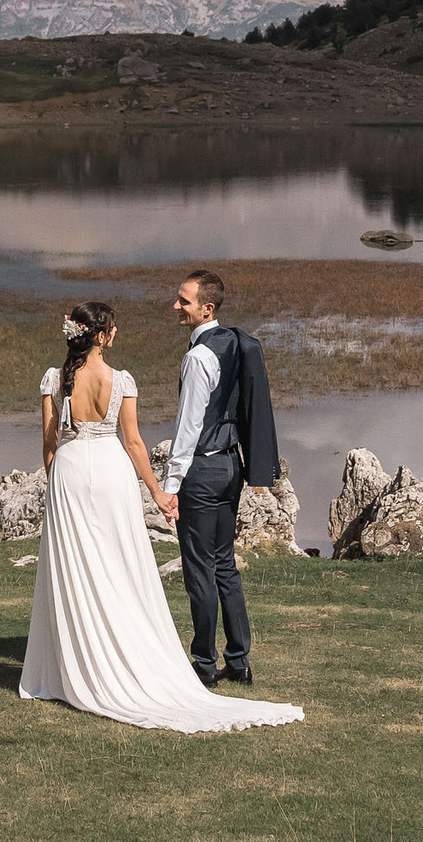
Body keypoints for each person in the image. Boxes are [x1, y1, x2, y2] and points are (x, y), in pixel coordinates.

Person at [17, 299, 302, 733]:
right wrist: (157, 491)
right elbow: (132, 443)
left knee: (72, 568)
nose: (115, 334)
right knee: (120, 565)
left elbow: (49, 441)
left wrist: (57, 478)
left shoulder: (54, 379)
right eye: (111, 329)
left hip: (70, 474)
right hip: (113, 473)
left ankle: (72, 665)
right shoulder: (122, 380)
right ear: (100, 336)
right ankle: (127, 653)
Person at [160, 270, 279, 686]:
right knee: (224, 564)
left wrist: (170, 486)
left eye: (184, 301)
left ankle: (204, 665)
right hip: (232, 466)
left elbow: (188, 428)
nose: (176, 306)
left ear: (206, 308)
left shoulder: (197, 358)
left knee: (199, 569)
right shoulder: (233, 341)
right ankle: (240, 661)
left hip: (203, 471)